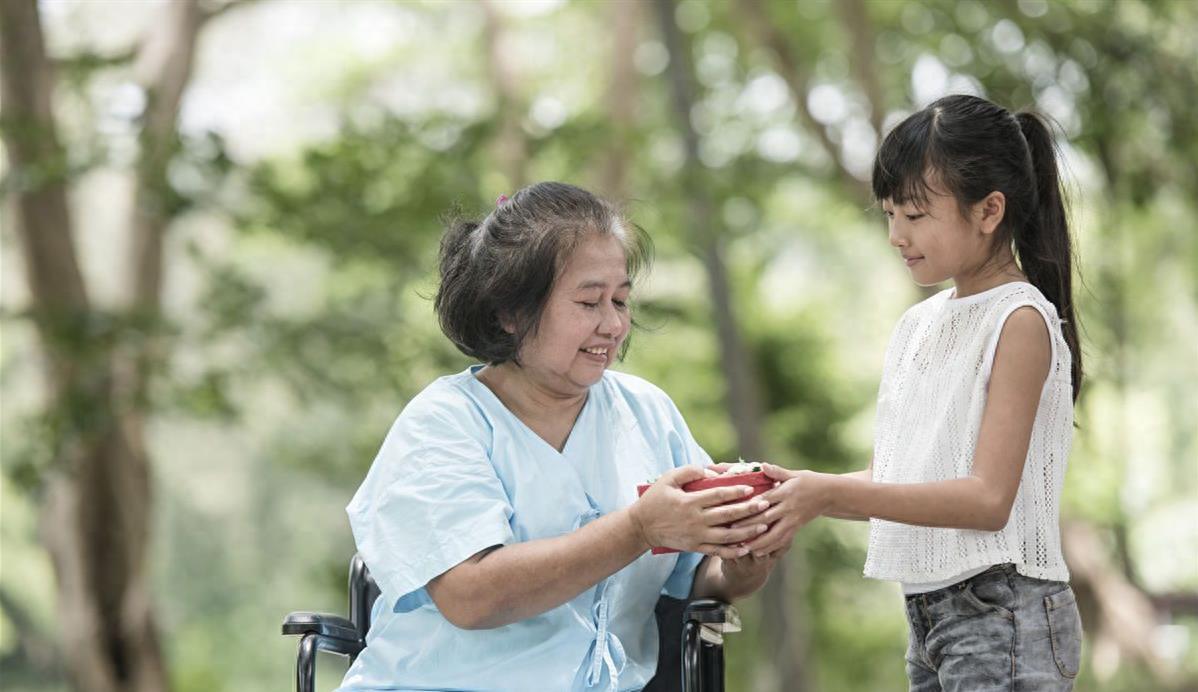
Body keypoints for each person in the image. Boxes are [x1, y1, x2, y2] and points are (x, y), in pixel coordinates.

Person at [336, 181, 780, 692]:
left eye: (620, 300)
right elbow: (471, 596)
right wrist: (639, 529)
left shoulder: (648, 413)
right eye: (589, 302)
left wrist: (742, 563)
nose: (613, 324)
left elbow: (696, 577)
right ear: (511, 312)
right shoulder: (442, 425)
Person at [734, 95, 1085, 690]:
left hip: (1002, 612)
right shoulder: (917, 326)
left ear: (989, 210)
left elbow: (986, 501)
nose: (896, 235)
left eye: (915, 214)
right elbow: (889, 480)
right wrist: (797, 491)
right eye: (889, 213)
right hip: (928, 614)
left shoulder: (1019, 320)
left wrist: (824, 496)